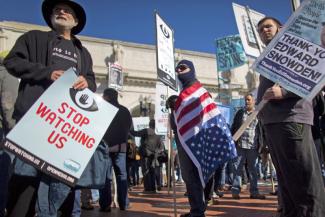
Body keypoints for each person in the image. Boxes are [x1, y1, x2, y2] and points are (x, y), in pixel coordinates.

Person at [3, 0, 96, 216]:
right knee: (24, 183)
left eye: (67, 10)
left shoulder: (83, 52)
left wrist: (86, 82)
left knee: (62, 187)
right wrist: (47, 73)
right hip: (35, 121)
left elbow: (91, 80)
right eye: (57, 9)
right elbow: (12, 62)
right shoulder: (34, 38)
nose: (61, 12)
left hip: (65, 128)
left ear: (76, 21)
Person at [257, 17, 325, 217]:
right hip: (272, 123)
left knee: (302, 178)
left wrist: (285, 92)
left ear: (281, 27)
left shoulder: (298, 48)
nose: (264, 31)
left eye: (268, 26)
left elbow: (318, 77)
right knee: (286, 180)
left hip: (291, 119)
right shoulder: (270, 55)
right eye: (260, 29)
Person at [166, 60, 206, 217]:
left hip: (197, 141)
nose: (179, 71)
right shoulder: (182, 95)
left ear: (192, 69)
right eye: (177, 69)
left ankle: (199, 210)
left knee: (198, 177)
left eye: (183, 68)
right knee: (189, 177)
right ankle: (196, 209)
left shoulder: (199, 91)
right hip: (183, 143)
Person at [99, 88, 132, 212]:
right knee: (122, 175)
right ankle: (124, 203)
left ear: (107, 96)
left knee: (106, 177)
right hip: (121, 148)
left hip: (105, 147)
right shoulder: (124, 110)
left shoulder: (103, 109)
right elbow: (129, 127)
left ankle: (105, 204)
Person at [230, 93, 265, 200]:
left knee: (253, 170)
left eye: (249, 100)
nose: (247, 102)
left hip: (253, 146)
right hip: (240, 145)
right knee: (237, 169)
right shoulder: (240, 113)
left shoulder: (258, 114)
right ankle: (235, 191)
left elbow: (262, 130)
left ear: (254, 101)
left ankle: (254, 192)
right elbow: (234, 127)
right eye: (246, 100)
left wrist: (264, 145)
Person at [0, 51, 18, 217]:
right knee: (4, 173)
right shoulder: (8, 74)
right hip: (3, 132)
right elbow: (8, 105)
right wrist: (14, 131)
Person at [131, 119, 165, 193]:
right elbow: (161, 147)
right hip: (154, 156)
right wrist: (156, 152)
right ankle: (152, 188)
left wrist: (129, 128)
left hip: (146, 155)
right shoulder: (158, 133)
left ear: (149, 124)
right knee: (152, 171)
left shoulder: (146, 131)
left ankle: (148, 188)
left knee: (146, 171)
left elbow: (135, 133)